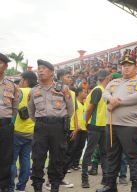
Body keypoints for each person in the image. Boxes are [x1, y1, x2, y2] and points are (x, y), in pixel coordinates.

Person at [97, 56, 137, 192]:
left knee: (132, 156)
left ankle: (135, 186)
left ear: (136, 68)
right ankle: (110, 186)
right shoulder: (114, 81)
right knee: (111, 155)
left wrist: (117, 102)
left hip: (130, 126)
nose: (125, 67)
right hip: (111, 125)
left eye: (129, 65)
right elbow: (105, 94)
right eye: (123, 65)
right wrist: (111, 99)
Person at [28, 59, 74, 192]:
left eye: (43, 68)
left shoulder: (63, 89)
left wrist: (58, 121)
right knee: (37, 158)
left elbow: (70, 110)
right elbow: (31, 112)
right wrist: (42, 121)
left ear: (52, 72)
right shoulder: (33, 91)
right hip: (41, 126)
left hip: (58, 127)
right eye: (39, 68)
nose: (40, 70)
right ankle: (37, 187)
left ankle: (54, 187)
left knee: (57, 158)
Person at [81, 69, 111, 188]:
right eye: (109, 78)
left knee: (104, 153)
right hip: (94, 126)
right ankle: (84, 179)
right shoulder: (98, 90)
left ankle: (105, 178)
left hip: (102, 126)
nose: (110, 80)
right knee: (89, 152)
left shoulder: (104, 91)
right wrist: (87, 123)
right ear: (106, 78)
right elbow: (89, 109)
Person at [10, 71, 37, 192]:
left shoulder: (19, 92)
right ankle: (21, 187)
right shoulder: (37, 93)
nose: (20, 82)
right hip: (31, 132)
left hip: (17, 131)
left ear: (25, 81)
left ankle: (10, 186)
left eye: (21, 80)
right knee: (25, 160)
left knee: (12, 160)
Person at [0, 53, 19, 192]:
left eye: (1, 62)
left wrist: (8, 122)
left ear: (6, 66)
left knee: (6, 157)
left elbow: (15, 108)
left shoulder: (12, 86)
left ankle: (4, 186)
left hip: (5, 125)